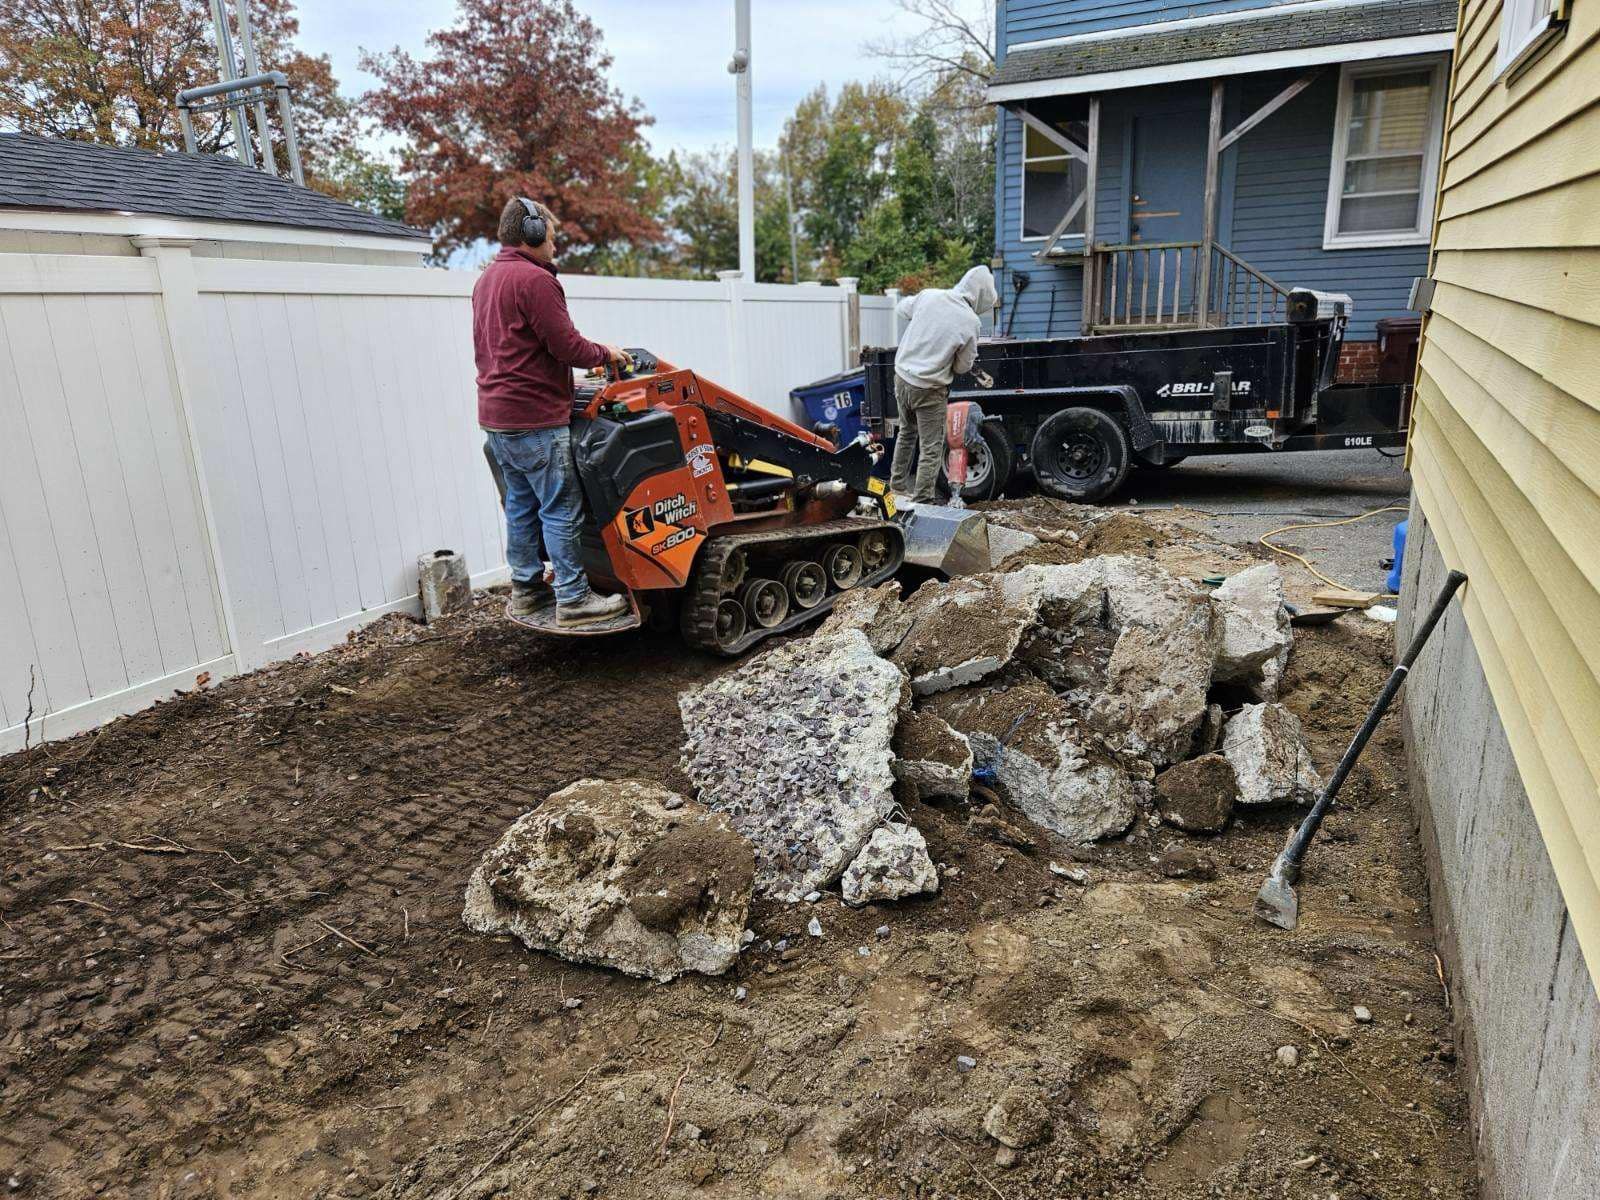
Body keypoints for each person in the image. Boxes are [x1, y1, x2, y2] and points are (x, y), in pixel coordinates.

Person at [473, 196, 631, 626]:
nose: (555, 246)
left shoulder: (487, 279)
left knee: (521, 505)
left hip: (498, 419)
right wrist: (606, 352)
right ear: (533, 234)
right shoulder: (536, 281)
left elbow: (515, 350)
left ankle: (526, 590)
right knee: (561, 508)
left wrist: (564, 379)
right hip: (535, 421)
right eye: (552, 237)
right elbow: (567, 346)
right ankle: (574, 599)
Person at [888, 265, 998, 504]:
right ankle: (923, 500)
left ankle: (895, 487)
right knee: (931, 447)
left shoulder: (930, 296)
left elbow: (902, 308)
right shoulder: (970, 322)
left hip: (902, 378)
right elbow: (962, 367)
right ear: (981, 296)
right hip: (929, 388)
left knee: (906, 433)